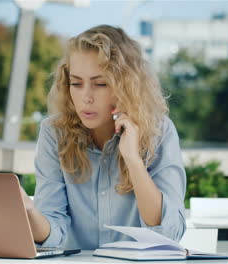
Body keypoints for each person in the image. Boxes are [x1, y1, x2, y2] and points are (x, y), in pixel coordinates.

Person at [19, 24, 186, 250]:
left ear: (126, 86)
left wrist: (134, 161)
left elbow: (169, 232)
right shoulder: (54, 133)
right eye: (76, 83)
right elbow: (54, 233)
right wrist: (28, 210)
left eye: (100, 84)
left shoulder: (160, 131)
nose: (86, 97)